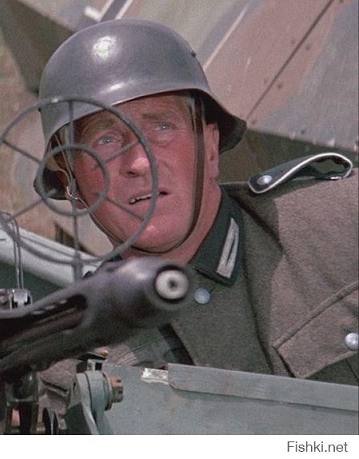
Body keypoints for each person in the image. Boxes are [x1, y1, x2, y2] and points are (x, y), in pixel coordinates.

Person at [33, 18, 358, 408]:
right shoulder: (71, 370)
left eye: (162, 127)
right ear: (72, 184)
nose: (139, 162)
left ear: (210, 147)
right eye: (105, 139)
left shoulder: (340, 226)